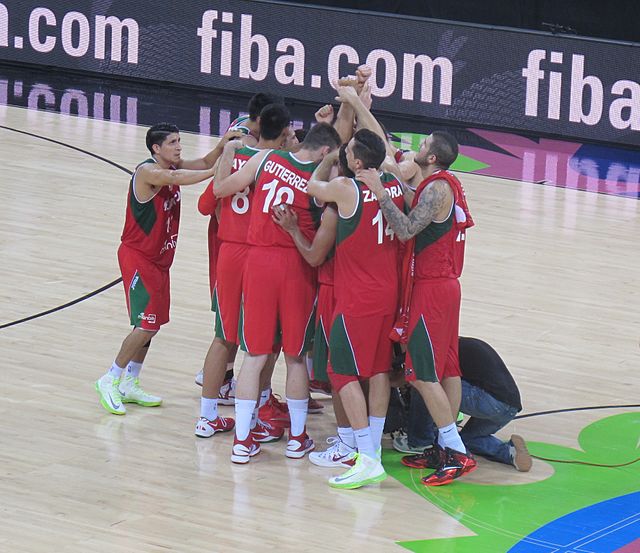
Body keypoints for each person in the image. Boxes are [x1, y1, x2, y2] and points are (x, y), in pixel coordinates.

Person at [214, 122, 342, 464]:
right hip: (295, 266)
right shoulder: (321, 183)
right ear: (326, 153)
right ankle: (298, 439)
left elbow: (221, 188)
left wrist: (227, 153)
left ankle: (242, 441)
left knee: (254, 355)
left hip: (256, 263)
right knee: (296, 355)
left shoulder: (267, 159)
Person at [94, 123, 240, 415]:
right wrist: (219, 172)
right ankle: (110, 377)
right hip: (138, 257)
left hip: (160, 260)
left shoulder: (172, 165)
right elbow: (182, 176)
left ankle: (130, 382)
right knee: (146, 323)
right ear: (156, 149)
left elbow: (203, 162)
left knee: (154, 325)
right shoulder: (149, 171)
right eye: (172, 142)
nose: (178, 147)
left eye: (179, 140)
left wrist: (222, 145)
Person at [358, 130, 476, 486]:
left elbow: (407, 229)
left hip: (432, 289)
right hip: (446, 288)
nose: (417, 147)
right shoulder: (443, 183)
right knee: (447, 371)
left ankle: (456, 452)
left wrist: (380, 193)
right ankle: (444, 445)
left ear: (432, 158)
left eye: (423, 146)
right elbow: (414, 202)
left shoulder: (438, 188)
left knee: (422, 375)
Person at [307, 128, 405, 489]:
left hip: (357, 297)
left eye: (347, 151)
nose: (343, 153)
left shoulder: (346, 189)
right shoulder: (391, 182)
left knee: (342, 373)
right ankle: (373, 452)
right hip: (387, 295)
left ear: (357, 161)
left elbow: (311, 186)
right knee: (378, 370)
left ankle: (364, 456)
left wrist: (328, 160)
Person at [195, 103, 293, 439]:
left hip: (229, 253)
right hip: (260, 255)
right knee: (266, 340)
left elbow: (206, 205)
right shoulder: (279, 165)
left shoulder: (234, 157)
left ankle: (208, 415)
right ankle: (260, 409)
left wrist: (225, 155)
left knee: (225, 336)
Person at [395, 337, 532, 472]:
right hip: (510, 407)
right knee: (464, 440)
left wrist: (384, 383)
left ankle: (419, 441)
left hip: (490, 401)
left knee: (424, 382)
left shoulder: (437, 351)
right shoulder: (459, 344)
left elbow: (414, 379)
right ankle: (510, 453)